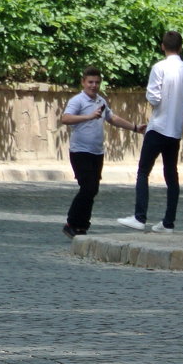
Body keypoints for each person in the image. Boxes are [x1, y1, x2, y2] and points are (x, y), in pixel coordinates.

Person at [117, 30, 183, 233]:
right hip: (175, 131)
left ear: (163, 46)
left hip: (158, 126)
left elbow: (153, 97)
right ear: (181, 47)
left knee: (143, 171)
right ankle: (168, 222)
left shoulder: (159, 68)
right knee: (171, 175)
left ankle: (139, 217)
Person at [59, 67, 146, 238]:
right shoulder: (77, 101)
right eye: (90, 82)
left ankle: (81, 226)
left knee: (93, 189)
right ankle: (71, 223)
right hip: (80, 151)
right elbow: (65, 118)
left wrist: (135, 128)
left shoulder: (101, 101)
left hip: (97, 152)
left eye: (97, 82)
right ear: (83, 82)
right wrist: (89, 117)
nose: (94, 85)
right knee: (88, 187)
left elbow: (112, 118)